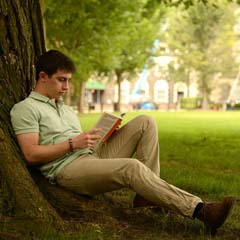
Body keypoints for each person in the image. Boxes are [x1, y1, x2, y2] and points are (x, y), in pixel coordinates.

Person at [10, 50, 235, 235]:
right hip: (66, 169)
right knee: (132, 167)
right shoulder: (26, 109)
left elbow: (80, 143)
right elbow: (31, 155)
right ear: (42, 76)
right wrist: (72, 143)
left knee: (145, 121)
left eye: (69, 81)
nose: (67, 87)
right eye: (61, 80)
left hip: (88, 155)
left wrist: (103, 135)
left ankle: (147, 195)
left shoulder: (65, 108)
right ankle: (201, 210)